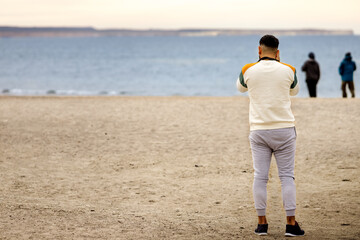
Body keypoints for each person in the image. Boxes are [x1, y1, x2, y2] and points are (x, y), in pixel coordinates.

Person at [236, 35, 305, 237]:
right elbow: (295, 92)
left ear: (259, 50)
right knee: (286, 177)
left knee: (260, 177)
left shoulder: (247, 69)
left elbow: (240, 88)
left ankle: (261, 224)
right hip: (284, 129)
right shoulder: (289, 69)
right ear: (277, 51)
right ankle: (291, 224)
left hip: (258, 130)